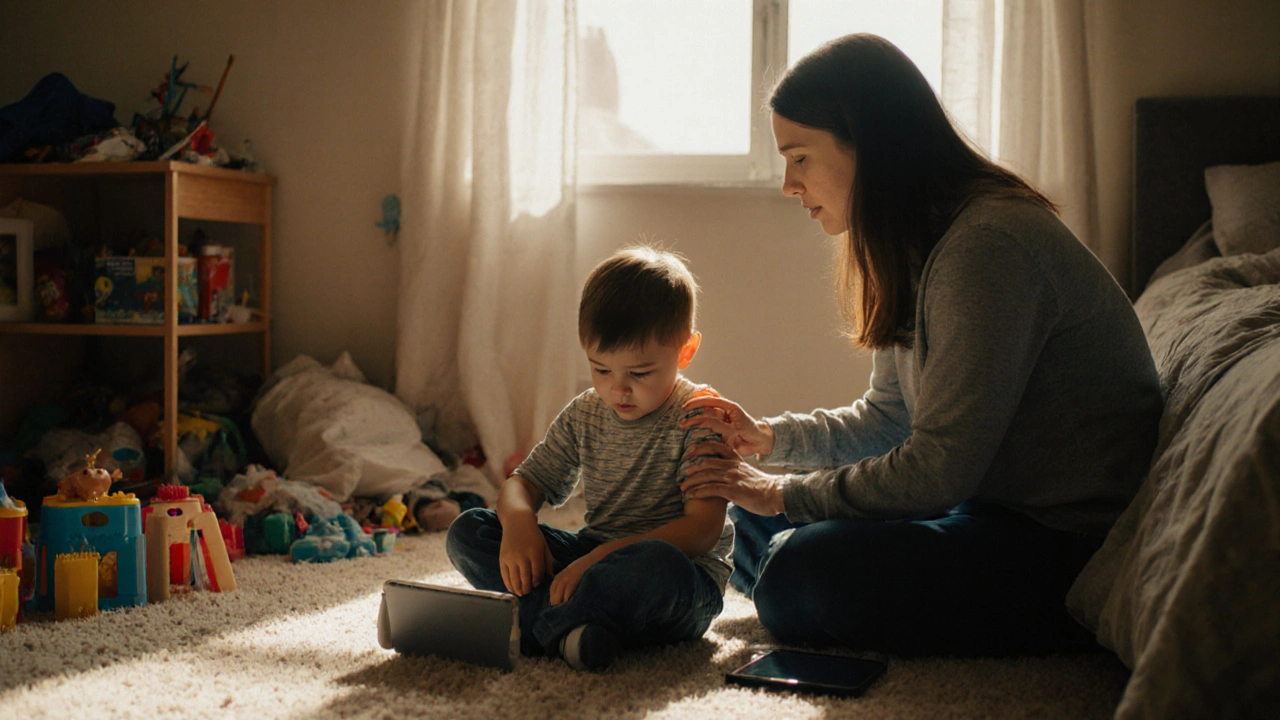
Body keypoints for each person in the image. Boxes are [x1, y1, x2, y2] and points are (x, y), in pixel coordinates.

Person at [679, 34, 1164, 657]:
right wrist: (771, 442)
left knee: (801, 566)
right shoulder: (917, 244)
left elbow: (938, 467)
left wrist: (784, 492)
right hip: (980, 509)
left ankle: (790, 570)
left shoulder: (987, 247)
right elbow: (890, 419)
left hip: (1063, 541)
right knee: (747, 518)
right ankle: (785, 561)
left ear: (867, 145)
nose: (786, 184)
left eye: (799, 157)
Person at [446, 245, 734, 671]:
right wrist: (520, 524)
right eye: (601, 369)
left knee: (657, 568)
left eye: (639, 373)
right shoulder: (586, 413)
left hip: (678, 582)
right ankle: (575, 632)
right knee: (469, 530)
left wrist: (594, 562)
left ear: (685, 352)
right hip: (591, 558)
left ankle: (527, 626)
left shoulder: (701, 417)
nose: (618, 389)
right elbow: (521, 484)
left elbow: (701, 531)